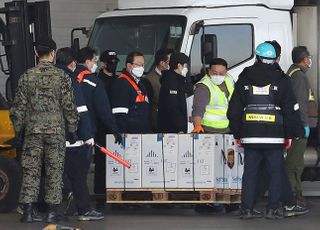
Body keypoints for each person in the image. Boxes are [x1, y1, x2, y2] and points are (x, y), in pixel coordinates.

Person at [227, 42, 305, 220]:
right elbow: (290, 109)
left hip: (250, 135)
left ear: (257, 57)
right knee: (275, 172)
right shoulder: (282, 79)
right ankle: (273, 209)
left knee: (250, 172)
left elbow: (234, 109)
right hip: (275, 136)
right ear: (274, 59)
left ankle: (246, 209)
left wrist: (237, 133)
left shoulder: (244, 78)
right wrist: (291, 134)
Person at [10, 36, 79, 223]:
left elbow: (18, 109)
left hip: (33, 131)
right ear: (53, 53)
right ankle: (51, 211)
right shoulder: (62, 76)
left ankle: (29, 211)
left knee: (31, 170)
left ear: (36, 53)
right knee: (54, 170)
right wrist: (73, 128)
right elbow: (69, 105)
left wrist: (19, 131)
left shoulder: (27, 76)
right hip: (55, 132)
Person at [254, 40, 309, 217]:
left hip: (261, 130)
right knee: (286, 165)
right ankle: (287, 201)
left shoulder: (253, 75)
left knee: (267, 167)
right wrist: (299, 127)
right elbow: (295, 104)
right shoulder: (290, 76)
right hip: (276, 130)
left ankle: (259, 204)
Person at [55, 47, 104, 221]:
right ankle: (83, 210)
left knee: (52, 176)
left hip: (50, 139)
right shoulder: (70, 79)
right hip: (71, 140)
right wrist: (87, 135)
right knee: (78, 177)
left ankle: (47, 211)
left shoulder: (46, 78)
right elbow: (81, 110)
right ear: (73, 63)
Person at [286, 46, 314, 207]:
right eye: (309, 58)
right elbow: (300, 104)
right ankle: (295, 196)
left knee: (296, 162)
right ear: (304, 59)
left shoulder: (294, 74)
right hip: (298, 126)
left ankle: (297, 194)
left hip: (296, 125)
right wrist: (304, 125)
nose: (310, 60)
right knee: (294, 163)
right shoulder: (298, 76)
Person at [111, 51, 151, 133]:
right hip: (129, 134)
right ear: (129, 66)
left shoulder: (140, 84)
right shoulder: (122, 83)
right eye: (138, 65)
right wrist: (123, 134)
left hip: (141, 132)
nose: (142, 68)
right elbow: (119, 112)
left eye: (143, 65)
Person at [192, 58, 234, 134]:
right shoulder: (204, 86)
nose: (218, 76)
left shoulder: (229, 80)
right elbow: (198, 109)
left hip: (227, 129)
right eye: (215, 73)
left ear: (226, 72)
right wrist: (197, 125)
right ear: (209, 71)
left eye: (221, 73)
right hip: (209, 130)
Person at [158, 52, 189, 133]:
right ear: (179, 65)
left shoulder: (178, 80)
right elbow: (173, 107)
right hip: (172, 131)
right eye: (185, 66)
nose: (187, 69)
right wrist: (179, 128)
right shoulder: (171, 82)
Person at [145, 48, 174, 131]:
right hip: (158, 124)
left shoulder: (171, 76)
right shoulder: (150, 79)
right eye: (170, 61)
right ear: (162, 63)